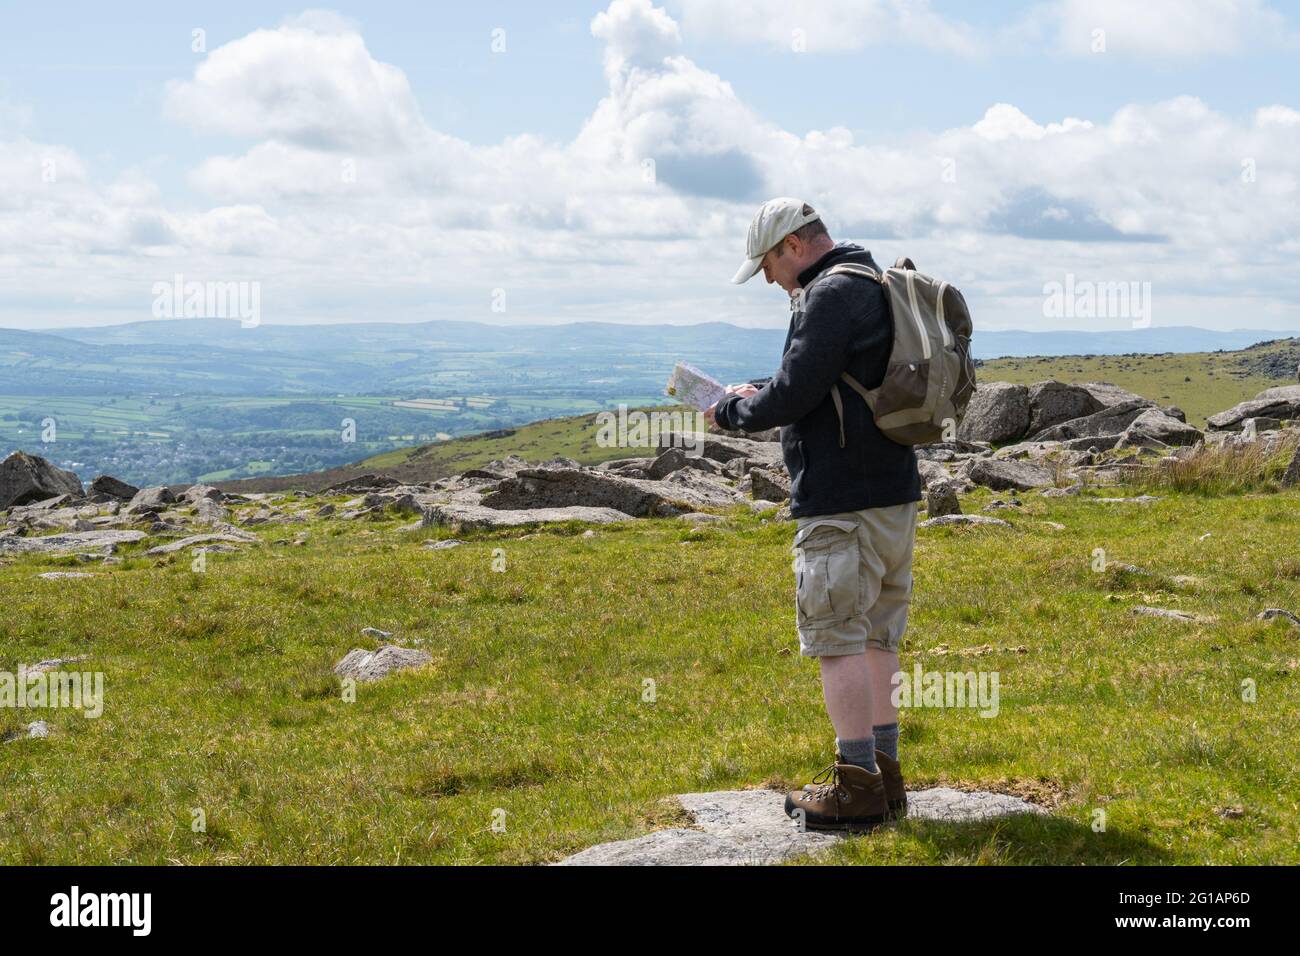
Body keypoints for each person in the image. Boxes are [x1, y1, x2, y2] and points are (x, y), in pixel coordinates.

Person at [706, 197, 922, 831]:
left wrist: (732, 411)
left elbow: (798, 391)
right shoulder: (874, 282)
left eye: (769, 266)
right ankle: (885, 780)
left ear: (792, 246)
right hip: (892, 491)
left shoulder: (827, 294)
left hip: (841, 498)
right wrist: (762, 389)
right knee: (879, 636)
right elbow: (822, 379)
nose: (770, 280)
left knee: (836, 641)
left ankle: (855, 792)